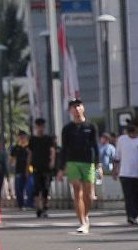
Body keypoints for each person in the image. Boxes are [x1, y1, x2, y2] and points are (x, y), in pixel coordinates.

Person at [59, 100, 99, 234]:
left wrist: (98, 164)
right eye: (73, 107)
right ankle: (82, 221)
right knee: (77, 190)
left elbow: (96, 146)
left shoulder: (91, 126)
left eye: (78, 106)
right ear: (70, 111)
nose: (76, 109)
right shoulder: (67, 129)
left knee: (89, 195)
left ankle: (86, 214)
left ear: (83, 108)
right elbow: (64, 149)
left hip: (88, 162)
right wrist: (61, 167)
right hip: (73, 162)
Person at [115, 123, 138, 225]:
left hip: (137, 173)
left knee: (137, 196)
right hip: (125, 173)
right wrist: (115, 169)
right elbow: (117, 156)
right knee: (128, 196)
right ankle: (130, 216)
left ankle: (134, 214)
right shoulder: (121, 139)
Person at [29, 118, 56, 218]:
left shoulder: (48, 139)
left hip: (46, 167)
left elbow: (52, 151)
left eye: (42, 126)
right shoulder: (32, 139)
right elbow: (30, 153)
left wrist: (52, 162)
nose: (40, 128)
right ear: (36, 127)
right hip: (36, 167)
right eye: (38, 126)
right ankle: (38, 208)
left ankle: (44, 207)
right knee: (36, 188)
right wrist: (28, 166)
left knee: (45, 188)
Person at [9, 130, 31, 209]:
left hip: (30, 170)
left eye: (23, 136)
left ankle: (29, 204)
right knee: (19, 188)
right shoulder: (15, 148)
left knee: (30, 186)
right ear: (18, 137)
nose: (22, 138)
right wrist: (12, 163)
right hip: (19, 170)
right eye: (20, 136)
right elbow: (11, 160)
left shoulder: (30, 146)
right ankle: (21, 205)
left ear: (26, 137)